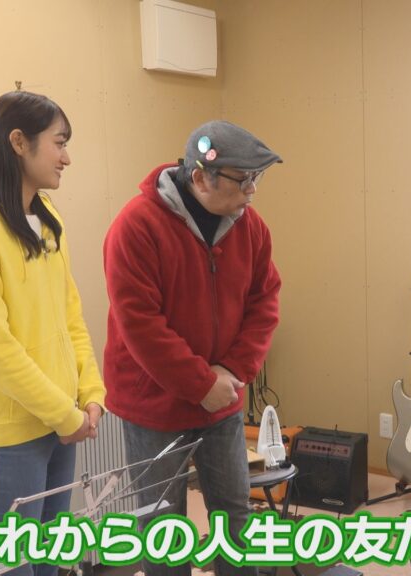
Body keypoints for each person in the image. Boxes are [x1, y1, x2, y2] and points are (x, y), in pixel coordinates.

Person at [0, 91, 106, 576]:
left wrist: (90, 392)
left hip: (59, 426)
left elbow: (71, 317)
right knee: (10, 569)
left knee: (49, 564)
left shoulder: (47, 219)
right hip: (8, 437)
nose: (66, 158)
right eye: (59, 143)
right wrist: (66, 415)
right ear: (18, 142)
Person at [103, 120, 282, 576]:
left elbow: (265, 300)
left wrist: (233, 371)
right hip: (154, 404)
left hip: (222, 397)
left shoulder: (250, 227)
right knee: (163, 528)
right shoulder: (136, 226)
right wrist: (201, 383)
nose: (252, 191)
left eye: (256, 178)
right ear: (201, 177)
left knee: (235, 517)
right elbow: (140, 324)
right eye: (243, 180)